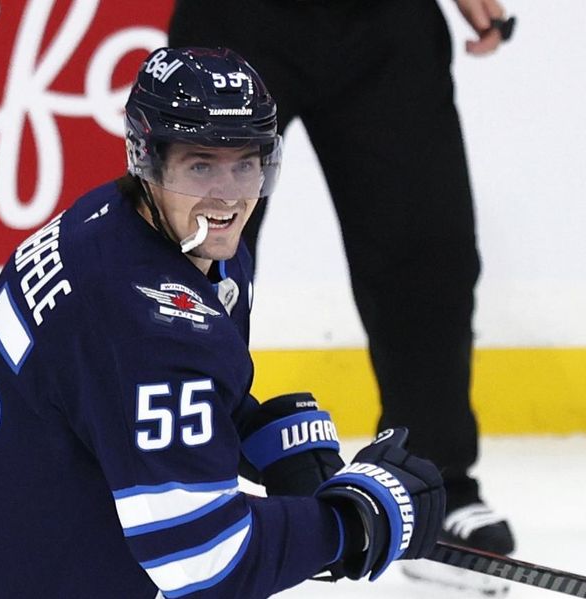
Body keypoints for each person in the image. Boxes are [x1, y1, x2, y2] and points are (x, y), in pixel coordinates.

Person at [0, 47, 445, 598]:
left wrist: (257, 435)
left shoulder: (123, 224)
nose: (227, 197)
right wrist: (349, 524)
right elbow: (204, 564)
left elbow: (111, 393)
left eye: (246, 164)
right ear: (146, 158)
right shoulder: (154, 320)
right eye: (200, 164)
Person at [169, 1, 516, 594]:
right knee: (193, 247)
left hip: (383, 20)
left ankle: (432, 485)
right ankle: (166, 473)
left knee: (428, 251)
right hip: (238, 16)